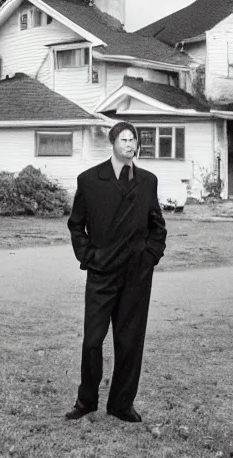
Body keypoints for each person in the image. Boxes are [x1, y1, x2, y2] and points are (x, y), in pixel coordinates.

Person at [65, 121, 167, 423]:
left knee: (130, 342)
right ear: (113, 143)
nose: (129, 144)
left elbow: (157, 225)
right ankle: (86, 401)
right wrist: (88, 257)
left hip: (136, 275)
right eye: (124, 139)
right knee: (93, 340)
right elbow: (76, 225)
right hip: (101, 273)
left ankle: (121, 404)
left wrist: (150, 256)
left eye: (133, 139)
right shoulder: (90, 180)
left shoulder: (148, 181)